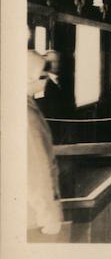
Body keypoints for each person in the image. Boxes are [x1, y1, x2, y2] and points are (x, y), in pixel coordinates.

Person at [27, 50, 63, 237]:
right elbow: (37, 170)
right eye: (42, 76)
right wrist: (49, 216)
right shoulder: (26, 114)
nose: (45, 79)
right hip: (36, 220)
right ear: (29, 78)